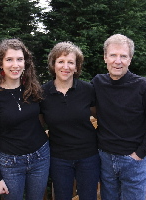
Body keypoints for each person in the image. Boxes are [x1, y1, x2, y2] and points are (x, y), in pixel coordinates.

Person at [0, 39, 50, 200]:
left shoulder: (33, 89)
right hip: (10, 163)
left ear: (25, 62)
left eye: (20, 59)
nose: (16, 65)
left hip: (40, 156)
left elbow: (50, 116)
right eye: (9, 59)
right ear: (0, 63)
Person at [40, 41, 100, 200]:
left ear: (77, 67)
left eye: (70, 62)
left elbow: (99, 114)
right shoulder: (42, 93)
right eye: (61, 61)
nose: (65, 66)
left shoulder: (88, 90)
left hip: (88, 156)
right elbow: (36, 124)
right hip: (59, 158)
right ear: (53, 65)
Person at [91, 34, 146, 200]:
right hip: (105, 158)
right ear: (105, 58)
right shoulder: (98, 83)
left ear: (130, 59)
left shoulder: (142, 86)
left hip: (133, 161)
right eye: (113, 55)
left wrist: (139, 154)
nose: (118, 61)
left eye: (123, 56)